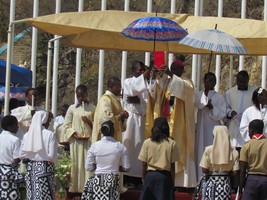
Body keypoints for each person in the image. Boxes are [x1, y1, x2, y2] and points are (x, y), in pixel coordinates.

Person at [146, 57, 197, 188]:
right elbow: (154, 92)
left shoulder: (188, 83)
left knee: (180, 147)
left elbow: (184, 91)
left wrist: (170, 74)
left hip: (181, 123)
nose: (173, 71)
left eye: (176, 69)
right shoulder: (167, 82)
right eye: (172, 69)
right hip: (168, 119)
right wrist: (155, 75)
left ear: (182, 70)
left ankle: (182, 182)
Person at [81, 120, 130, 200]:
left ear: (102, 132)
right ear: (113, 132)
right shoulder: (120, 147)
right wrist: (116, 166)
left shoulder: (95, 146)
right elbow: (127, 168)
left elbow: (88, 167)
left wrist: (98, 166)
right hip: (113, 180)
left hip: (98, 180)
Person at [122, 60, 151, 187]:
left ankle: (139, 178)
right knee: (129, 147)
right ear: (133, 70)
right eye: (140, 70)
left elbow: (148, 102)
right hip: (131, 118)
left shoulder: (148, 85)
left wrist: (138, 101)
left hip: (142, 119)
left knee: (140, 148)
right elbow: (132, 90)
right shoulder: (127, 81)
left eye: (143, 70)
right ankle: (127, 177)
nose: (142, 72)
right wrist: (138, 100)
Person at [63, 85, 96, 195]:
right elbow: (66, 125)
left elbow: (97, 126)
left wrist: (88, 122)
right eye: (78, 96)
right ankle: (76, 188)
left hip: (89, 141)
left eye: (82, 96)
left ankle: (88, 187)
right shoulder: (72, 108)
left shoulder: (92, 108)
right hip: (76, 141)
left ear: (87, 94)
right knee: (77, 163)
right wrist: (74, 133)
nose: (80, 98)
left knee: (88, 162)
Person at [195, 72, 227, 181]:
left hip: (213, 128)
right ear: (204, 81)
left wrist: (212, 107)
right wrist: (205, 95)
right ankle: (200, 178)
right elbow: (198, 104)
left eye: (213, 80)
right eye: (208, 80)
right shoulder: (199, 94)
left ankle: (212, 177)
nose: (211, 82)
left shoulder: (219, 97)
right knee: (200, 150)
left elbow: (222, 114)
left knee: (212, 151)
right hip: (201, 127)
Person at [19, 110, 58, 200]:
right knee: (46, 196)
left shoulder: (27, 135)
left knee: (32, 195)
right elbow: (52, 155)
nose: (49, 122)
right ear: (44, 120)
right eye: (48, 120)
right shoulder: (50, 135)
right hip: (45, 168)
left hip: (30, 170)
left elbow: (21, 155)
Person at [138, 116, 179, 200]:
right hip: (164, 179)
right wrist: (173, 182)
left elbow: (144, 163)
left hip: (150, 177)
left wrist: (143, 178)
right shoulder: (172, 143)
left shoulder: (147, 142)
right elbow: (172, 166)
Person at [196, 126, 239, 200]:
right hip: (226, 185)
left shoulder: (208, 150)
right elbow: (235, 172)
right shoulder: (234, 152)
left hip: (211, 184)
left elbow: (204, 169)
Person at [224, 70, 256, 149]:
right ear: (236, 80)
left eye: (243, 82)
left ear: (248, 80)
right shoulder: (229, 93)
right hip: (234, 124)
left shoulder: (254, 91)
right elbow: (225, 107)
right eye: (239, 81)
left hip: (249, 124)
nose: (241, 84)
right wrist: (230, 112)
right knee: (233, 148)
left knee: (247, 148)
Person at [92, 77, 129, 143]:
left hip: (115, 136)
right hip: (106, 137)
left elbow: (120, 118)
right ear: (111, 86)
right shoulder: (105, 99)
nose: (120, 89)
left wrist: (123, 117)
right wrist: (120, 116)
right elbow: (105, 118)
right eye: (118, 87)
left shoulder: (115, 99)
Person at [239, 119, 267, 199]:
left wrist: (241, 188)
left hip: (251, 180)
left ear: (252, 130)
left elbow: (242, 171)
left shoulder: (246, 145)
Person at [0, 115, 21, 200]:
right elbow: (16, 159)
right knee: (12, 195)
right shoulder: (14, 140)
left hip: (0, 171)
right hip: (10, 173)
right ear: (10, 127)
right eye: (16, 125)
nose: (18, 127)